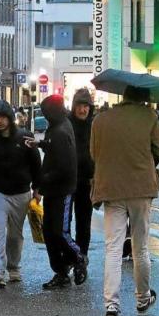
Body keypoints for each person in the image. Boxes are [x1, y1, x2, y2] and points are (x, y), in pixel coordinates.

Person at [90, 86, 159, 316]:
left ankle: (111, 306)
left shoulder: (101, 119)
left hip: (111, 189)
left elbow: (94, 153)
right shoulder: (148, 117)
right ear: (144, 98)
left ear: (123, 97)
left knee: (113, 249)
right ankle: (143, 297)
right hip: (140, 189)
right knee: (140, 247)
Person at [0, 100, 41, 288]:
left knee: (15, 235)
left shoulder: (24, 138)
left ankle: (14, 267)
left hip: (20, 194)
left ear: (10, 119)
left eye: (2, 117)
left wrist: (37, 188)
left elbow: (36, 164)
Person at [28, 95, 87, 289]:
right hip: (54, 189)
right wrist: (41, 144)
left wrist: (42, 179)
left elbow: (65, 166)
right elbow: (56, 149)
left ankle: (78, 257)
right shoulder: (59, 126)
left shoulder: (60, 130)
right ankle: (61, 271)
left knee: (59, 231)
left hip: (62, 189)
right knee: (50, 232)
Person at [68, 88, 95, 257]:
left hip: (87, 182)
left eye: (86, 106)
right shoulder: (66, 124)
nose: (82, 110)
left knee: (84, 223)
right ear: (74, 106)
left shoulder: (94, 126)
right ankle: (70, 256)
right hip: (68, 181)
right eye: (79, 105)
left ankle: (81, 257)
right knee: (64, 223)